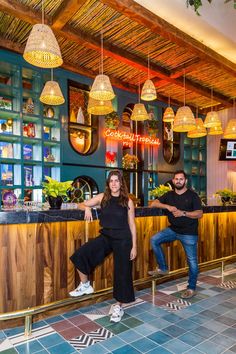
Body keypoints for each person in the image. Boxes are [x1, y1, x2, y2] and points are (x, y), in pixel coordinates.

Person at [69, 170, 137, 323]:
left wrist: (134, 246)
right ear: (108, 183)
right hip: (106, 236)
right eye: (111, 181)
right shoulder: (102, 197)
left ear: (121, 183)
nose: (114, 183)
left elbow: (132, 225)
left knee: (122, 272)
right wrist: (87, 207)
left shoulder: (128, 201)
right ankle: (85, 285)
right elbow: (80, 204)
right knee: (81, 254)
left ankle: (119, 306)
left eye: (116, 181)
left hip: (123, 239)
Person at [148, 170, 203, 299]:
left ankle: (191, 288)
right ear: (173, 181)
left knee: (192, 262)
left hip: (189, 233)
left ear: (185, 181)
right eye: (176, 179)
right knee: (154, 240)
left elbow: (199, 214)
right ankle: (163, 268)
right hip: (173, 230)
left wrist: (183, 213)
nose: (178, 181)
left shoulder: (193, 196)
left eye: (181, 179)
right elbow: (153, 204)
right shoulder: (169, 195)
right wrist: (167, 206)